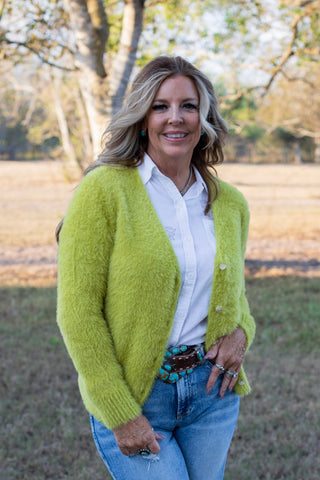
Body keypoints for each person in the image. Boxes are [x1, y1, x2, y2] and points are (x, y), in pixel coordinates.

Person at [56, 55, 255, 480]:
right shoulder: (104, 191)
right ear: (142, 117)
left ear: (204, 118)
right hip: (138, 396)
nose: (175, 118)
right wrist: (119, 411)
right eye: (161, 106)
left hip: (211, 396)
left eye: (188, 105)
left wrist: (241, 334)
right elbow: (79, 312)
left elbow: (236, 298)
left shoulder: (231, 203)